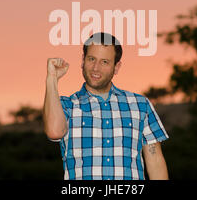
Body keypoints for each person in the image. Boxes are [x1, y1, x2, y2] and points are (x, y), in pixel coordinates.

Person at [43, 32, 169, 180]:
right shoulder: (67, 105)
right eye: (91, 59)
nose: (96, 68)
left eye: (104, 62)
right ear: (83, 60)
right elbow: (54, 132)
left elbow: (155, 161)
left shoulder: (140, 105)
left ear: (116, 67)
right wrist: (52, 78)